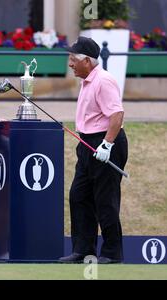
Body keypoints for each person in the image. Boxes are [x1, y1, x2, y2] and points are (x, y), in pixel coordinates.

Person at [59, 36, 128, 264]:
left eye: (72, 59)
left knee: (105, 199)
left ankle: (111, 252)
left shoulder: (103, 80)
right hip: (88, 144)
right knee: (79, 195)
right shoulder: (87, 80)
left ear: (86, 61)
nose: (70, 64)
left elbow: (116, 115)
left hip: (107, 142)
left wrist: (107, 145)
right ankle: (83, 250)